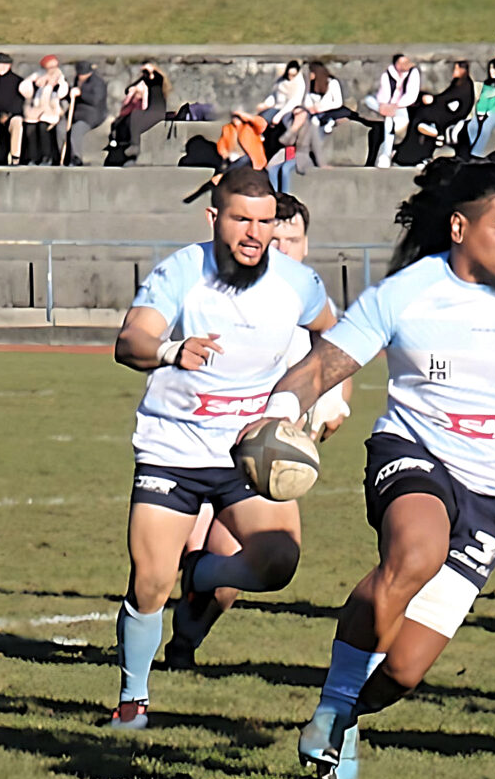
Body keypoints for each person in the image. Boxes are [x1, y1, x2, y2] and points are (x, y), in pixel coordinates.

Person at [259, 158, 495, 779]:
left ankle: (347, 717)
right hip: (414, 451)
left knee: (405, 672)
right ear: (458, 227)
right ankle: (337, 703)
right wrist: (279, 413)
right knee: (415, 555)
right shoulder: (407, 293)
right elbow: (321, 367)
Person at [104, 168, 336, 730]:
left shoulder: (297, 283)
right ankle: (133, 701)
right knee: (151, 581)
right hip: (172, 446)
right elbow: (130, 339)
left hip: (248, 450)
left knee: (278, 563)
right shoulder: (183, 270)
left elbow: (334, 339)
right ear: (215, 219)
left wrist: (326, 399)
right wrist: (169, 351)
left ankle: (204, 575)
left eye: (264, 222)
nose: (254, 234)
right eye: (240, 220)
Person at [163, 191, 354, 668]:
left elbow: (336, 365)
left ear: (306, 244)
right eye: (276, 236)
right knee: (172, 560)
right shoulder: (224, 291)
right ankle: (155, 656)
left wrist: (331, 410)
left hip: (260, 455)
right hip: (201, 441)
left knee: (241, 567)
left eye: (294, 239)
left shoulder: (308, 301)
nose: (284, 247)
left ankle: (184, 641)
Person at [111, 62, 170, 165]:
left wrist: (151, 70)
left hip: (158, 111)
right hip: (150, 110)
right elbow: (128, 89)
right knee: (134, 115)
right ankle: (132, 145)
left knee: (136, 115)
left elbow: (155, 77)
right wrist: (142, 76)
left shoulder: (158, 80)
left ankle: (135, 145)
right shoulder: (146, 79)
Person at [369, 55, 422, 169]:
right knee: (372, 104)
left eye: (406, 62)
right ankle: (385, 155)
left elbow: (411, 94)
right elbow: (384, 92)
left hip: (401, 106)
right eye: (401, 63)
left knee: (394, 122)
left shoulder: (413, 73)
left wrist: (396, 105)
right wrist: (385, 106)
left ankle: (387, 154)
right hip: (385, 104)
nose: (404, 65)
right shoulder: (388, 74)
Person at [19, 55, 67, 166]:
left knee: (43, 127)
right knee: (30, 128)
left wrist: (54, 84)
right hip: (36, 109)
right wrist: (33, 80)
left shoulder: (59, 78)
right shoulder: (39, 76)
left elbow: (62, 93)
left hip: (52, 110)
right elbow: (23, 88)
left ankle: (47, 157)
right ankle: (33, 157)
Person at [67, 61, 108, 167]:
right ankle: (65, 156)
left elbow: (96, 100)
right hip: (76, 114)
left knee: (76, 130)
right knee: (61, 129)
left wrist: (81, 93)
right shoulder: (77, 80)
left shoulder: (97, 83)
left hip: (91, 115)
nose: (81, 77)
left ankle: (76, 158)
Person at [257, 61, 306, 125]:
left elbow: (293, 102)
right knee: (261, 119)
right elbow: (275, 95)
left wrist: (279, 116)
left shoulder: (299, 84)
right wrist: (266, 104)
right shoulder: (281, 81)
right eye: (289, 74)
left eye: (293, 75)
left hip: (289, 111)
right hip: (276, 107)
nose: (290, 77)